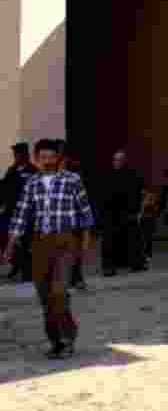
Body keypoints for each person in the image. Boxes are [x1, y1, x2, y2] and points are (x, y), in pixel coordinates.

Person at [1, 139, 95, 359]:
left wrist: (86, 243)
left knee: (59, 292)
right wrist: (9, 247)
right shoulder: (31, 183)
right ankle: (55, 341)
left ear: (57, 157)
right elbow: (20, 216)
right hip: (40, 244)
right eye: (42, 157)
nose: (47, 161)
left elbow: (85, 211)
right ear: (37, 159)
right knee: (45, 296)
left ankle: (67, 338)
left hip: (65, 243)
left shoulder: (72, 180)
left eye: (51, 157)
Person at [98, 149, 145, 276]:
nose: (118, 162)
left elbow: (137, 193)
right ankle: (109, 267)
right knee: (109, 241)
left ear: (125, 161)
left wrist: (137, 211)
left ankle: (135, 263)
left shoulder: (132, 175)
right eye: (116, 160)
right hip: (110, 214)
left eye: (121, 160)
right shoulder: (107, 176)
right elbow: (102, 196)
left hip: (127, 212)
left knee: (132, 239)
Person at [2, 142, 39, 282]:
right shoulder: (12, 171)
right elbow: (4, 190)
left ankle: (27, 271)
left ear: (25, 155)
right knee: (8, 239)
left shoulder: (33, 171)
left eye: (18, 154)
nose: (16, 157)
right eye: (15, 154)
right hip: (12, 212)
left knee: (26, 242)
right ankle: (17, 264)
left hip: (28, 213)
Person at [63, 146, 91, 291]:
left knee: (75, 251)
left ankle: (77, 278)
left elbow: (83, 198)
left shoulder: (76, 173)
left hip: (75, 219)